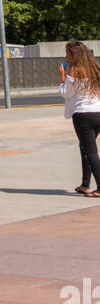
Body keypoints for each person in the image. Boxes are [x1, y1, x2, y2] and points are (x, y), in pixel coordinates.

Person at [59, 40, 100, 196]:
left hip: (83, 115)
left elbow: (66, 93)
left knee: (91, 151)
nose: (65, 56)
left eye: (67, 53)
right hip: (98, 112)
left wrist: (62, 78)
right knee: (84, 147)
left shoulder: (74, 70)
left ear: (73, 55)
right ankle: (85, 184)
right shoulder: (95, 69)